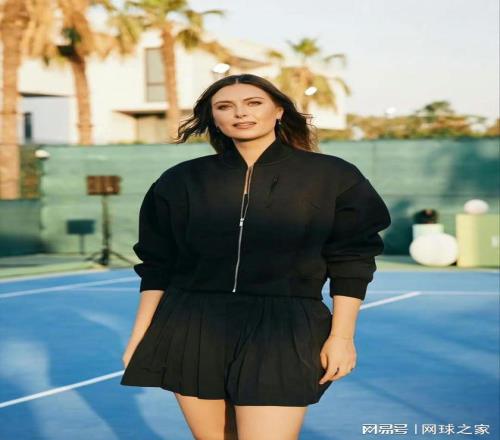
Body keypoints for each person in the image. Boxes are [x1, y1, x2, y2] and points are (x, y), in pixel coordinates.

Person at [120, 73, 392, 440]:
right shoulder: (180, 180)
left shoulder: (331, 176)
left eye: (253, 103)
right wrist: (140, 336)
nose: (240, 113)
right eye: (225, 106)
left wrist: (342, 337)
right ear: (213, 118)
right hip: (193, 324)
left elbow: (352, 260)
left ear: (278, 111)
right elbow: (157, 266)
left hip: (283, 326)